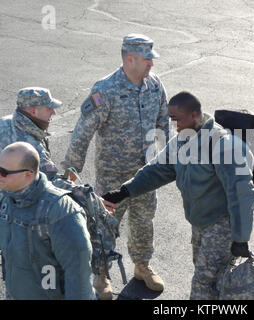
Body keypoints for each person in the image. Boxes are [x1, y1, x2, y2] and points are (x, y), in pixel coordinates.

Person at [101, 91, 254, 299]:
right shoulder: (182, 141)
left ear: (194, 115)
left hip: (222, 225)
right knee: (212, 278)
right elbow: (159, 169)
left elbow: (242, 192)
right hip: (200, 223)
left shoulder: (222, 145)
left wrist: (240, 238)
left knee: (203, 281)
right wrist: (124, 191)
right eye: (171, 119)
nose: (174, 125)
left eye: (177, 119)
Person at [61, 33, 169, 293]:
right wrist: (70, 172)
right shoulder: (105, 89)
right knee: (106, 226)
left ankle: (142, 266)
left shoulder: (154, 86)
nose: (151, 64)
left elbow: (163, 123)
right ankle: (101, 276)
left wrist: (167, 161)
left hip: (146, 174)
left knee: (144, 222)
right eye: (147, 59)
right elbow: (82, 133)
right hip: (112, 176)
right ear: (130, 59)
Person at [0, 87, 118, 300]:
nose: (53, 113)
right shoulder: (30, 143)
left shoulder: (6, 123)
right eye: (49, 108)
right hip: (19, 211)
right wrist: (91, 198)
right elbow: (49, 184)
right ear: (34, 111)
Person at [0, 142, 95, 299]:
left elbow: (78, 276)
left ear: (28, 174)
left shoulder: (62, 212)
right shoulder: (7, 198)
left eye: (3, 172)